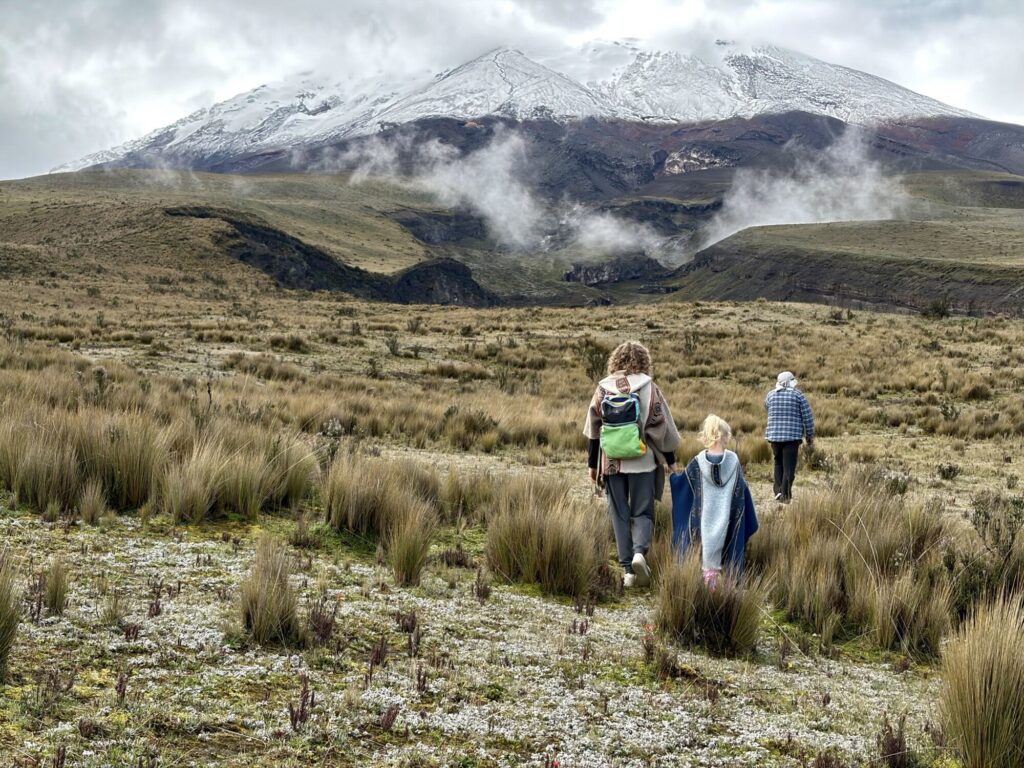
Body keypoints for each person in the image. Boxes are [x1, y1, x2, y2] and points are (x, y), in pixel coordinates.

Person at [584, 341, 680, 589]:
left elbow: (593, 430)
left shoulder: (603, 388)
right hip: (643, 459)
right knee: (642, 512)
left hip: (612, 462)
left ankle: (628, 571)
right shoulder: (649, 387)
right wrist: (670, 462)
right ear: (644, 360)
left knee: (619, 513)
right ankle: (640, 553)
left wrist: (592, 466)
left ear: (615, 361)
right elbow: (663, 426)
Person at [669, 414, 759, 589]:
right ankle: (729, 589)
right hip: (729, 520)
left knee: (704, 557)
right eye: (728, 435)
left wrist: (673, 478)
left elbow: (684, 484)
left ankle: (708, 588)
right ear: (723, 436)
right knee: (731, 551)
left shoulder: (697, 462)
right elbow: (742, 491)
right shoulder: (733, 461)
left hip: (701, 522)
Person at [764, 371, 814, 503]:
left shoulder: (770, 395)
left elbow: (766, 408)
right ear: (790, 382)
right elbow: (807, 417)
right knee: (789, 468)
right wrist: (809, 436)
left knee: (778, 462)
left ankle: (778, 491)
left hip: (774, 436)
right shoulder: (798, 395)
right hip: (791, 437)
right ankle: (785, 495)